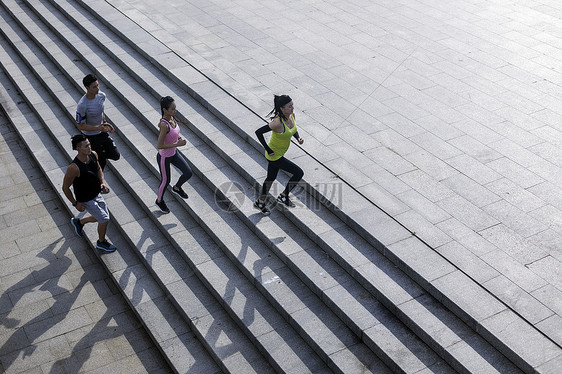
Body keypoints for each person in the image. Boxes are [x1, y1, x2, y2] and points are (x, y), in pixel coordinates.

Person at [62, 134, 117, 252]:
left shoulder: (93, 154)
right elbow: (65, 187)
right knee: (104, 219)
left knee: (102, 216)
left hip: (96, 193)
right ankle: (101, 242)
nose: (89, 148)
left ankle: (79, 222)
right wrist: (75, 203)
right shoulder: (74, 168)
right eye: (86, 146)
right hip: (86, 198)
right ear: (78, 148)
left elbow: (98, 169)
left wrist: (102, 182)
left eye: (89, 145)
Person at [254, 95, 304, 215]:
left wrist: (298, 138)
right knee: (298, 173)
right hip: (274, 155)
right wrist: (267, 148)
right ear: (282, 108)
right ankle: (283, 196)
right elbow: (258, 132)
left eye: (292, 104)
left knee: (271, 178)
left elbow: (293, 128)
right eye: (289, 106)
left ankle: (260, 202)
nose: (292, 108)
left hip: (280, 153)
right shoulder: (277, 122)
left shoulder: (291, 115)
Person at [155, 96, 193, 214]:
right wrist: (177, 143)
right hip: (164, 157)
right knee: (166, 181)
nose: (175, 110)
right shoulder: (164, 125)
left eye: (175, 108)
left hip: (174, 153)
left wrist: (178, 138)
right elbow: (160, 145)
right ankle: (159, 201)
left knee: (188, 172)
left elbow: (173, 134)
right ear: (165, 110)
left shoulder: (172, 119)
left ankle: (177, 187)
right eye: (172, 109)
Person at [76, 73, 120, 171]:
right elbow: (80, 126)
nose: (97, 88)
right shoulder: (82, 105)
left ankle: (99, 155)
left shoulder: (101, 96)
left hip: (101, 132)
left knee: (115, 155)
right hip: (90, 136)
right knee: (100, 163)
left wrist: (105, 123)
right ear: (87, 88)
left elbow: (101, 110)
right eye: (94, 87)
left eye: (97, 85)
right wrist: (97, 128)